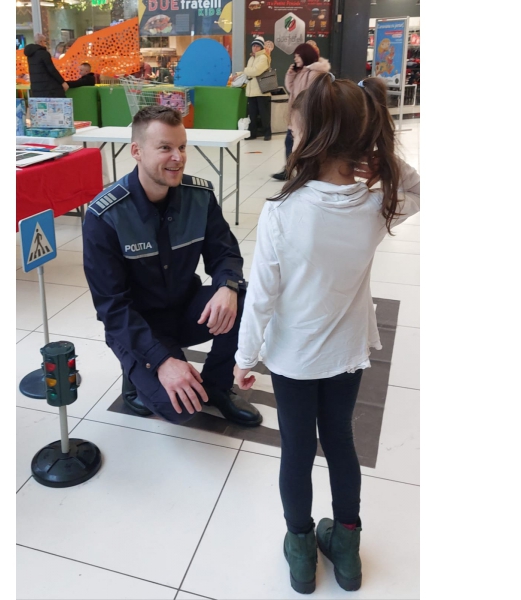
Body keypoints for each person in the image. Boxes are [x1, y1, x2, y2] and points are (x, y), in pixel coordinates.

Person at [233, 74, 420, 594]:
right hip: (347, 353)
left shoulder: (282, 212)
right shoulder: (375, 207)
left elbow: (261, 296)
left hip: (293, 357)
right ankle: (348, 549)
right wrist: (385, 162)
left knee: (296, 449)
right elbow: (421, 190)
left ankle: (300, 550)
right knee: (340, 441)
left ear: (311, 136)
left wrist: (244, 359)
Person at [82, 105, 263, 428]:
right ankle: (135, 377)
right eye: (165, 147)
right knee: (180, 408)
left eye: (182, 146)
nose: (178, 157)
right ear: (136, 151)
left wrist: (227, 286)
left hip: (183, 306)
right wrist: (162, 361)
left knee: (245, 299)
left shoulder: (199, 197)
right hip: (137, 325)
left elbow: (224, 253)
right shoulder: (106, 216)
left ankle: (217, 386)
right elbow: (112, 308)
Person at [272, 43, 331, 180]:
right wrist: (291, 74)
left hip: (305, 116)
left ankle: (302, 171)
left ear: (305, 56)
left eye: (298, 56)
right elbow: (291, 89)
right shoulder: (302, 71)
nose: (295, 59)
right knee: (289, 142)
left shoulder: (315, 73)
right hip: (295, 116)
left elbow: (311, 96)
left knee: (302, 144)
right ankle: (289, 169)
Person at [243, 36, 272, 140]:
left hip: (261, 91)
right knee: (252, 114)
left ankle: (267, 133)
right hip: (251, 91)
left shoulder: (263, 57)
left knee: (264, 114)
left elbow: (256, 71)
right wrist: (242, 73)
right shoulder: (251, 58)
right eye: (253, 46)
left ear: (261, 47)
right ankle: (252, 133)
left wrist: (246, 70)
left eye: (257, 46)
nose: (255, 48)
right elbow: (250, 72)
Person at [24, 33, 68, 98]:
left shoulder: (30, 55)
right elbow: (51, 69)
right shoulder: (43, 53)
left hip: (36, 87)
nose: (45, 43)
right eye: (45, 41)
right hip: (47, 87)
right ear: (41, 42)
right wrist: (62, 82)